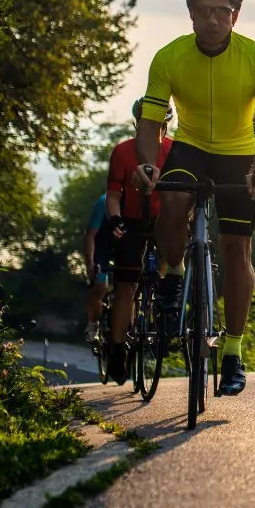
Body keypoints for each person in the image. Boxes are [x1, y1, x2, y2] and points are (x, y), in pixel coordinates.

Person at [134, 0, 255, 397]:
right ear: (191, 14)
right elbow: (150, 125)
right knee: (174, 198)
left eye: (222, 12)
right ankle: (175, 271)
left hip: (239, 151)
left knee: (237, 249)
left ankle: (232, 351)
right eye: (203, 11)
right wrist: (147, 164)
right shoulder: (169, 57)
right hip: (191, 145)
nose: (213, 20)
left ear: (235, 16)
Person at [100, 98, 174, 385]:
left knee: (170, 259)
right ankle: (117, 349)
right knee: (126, 285)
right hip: (131, 220)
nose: (157, 128)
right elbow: (114, 194)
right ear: (137, 124)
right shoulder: (122, 152)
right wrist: (115, 219)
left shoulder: (174, 151)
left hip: (163, 219)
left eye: (162, 124)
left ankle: (167, 302)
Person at [82, 192, 109, 342]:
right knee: (99, 285)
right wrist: (90, 263)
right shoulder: (103, 202)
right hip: (102, 245)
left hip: (124, 246)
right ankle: (93, 323)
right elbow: (90, 235)